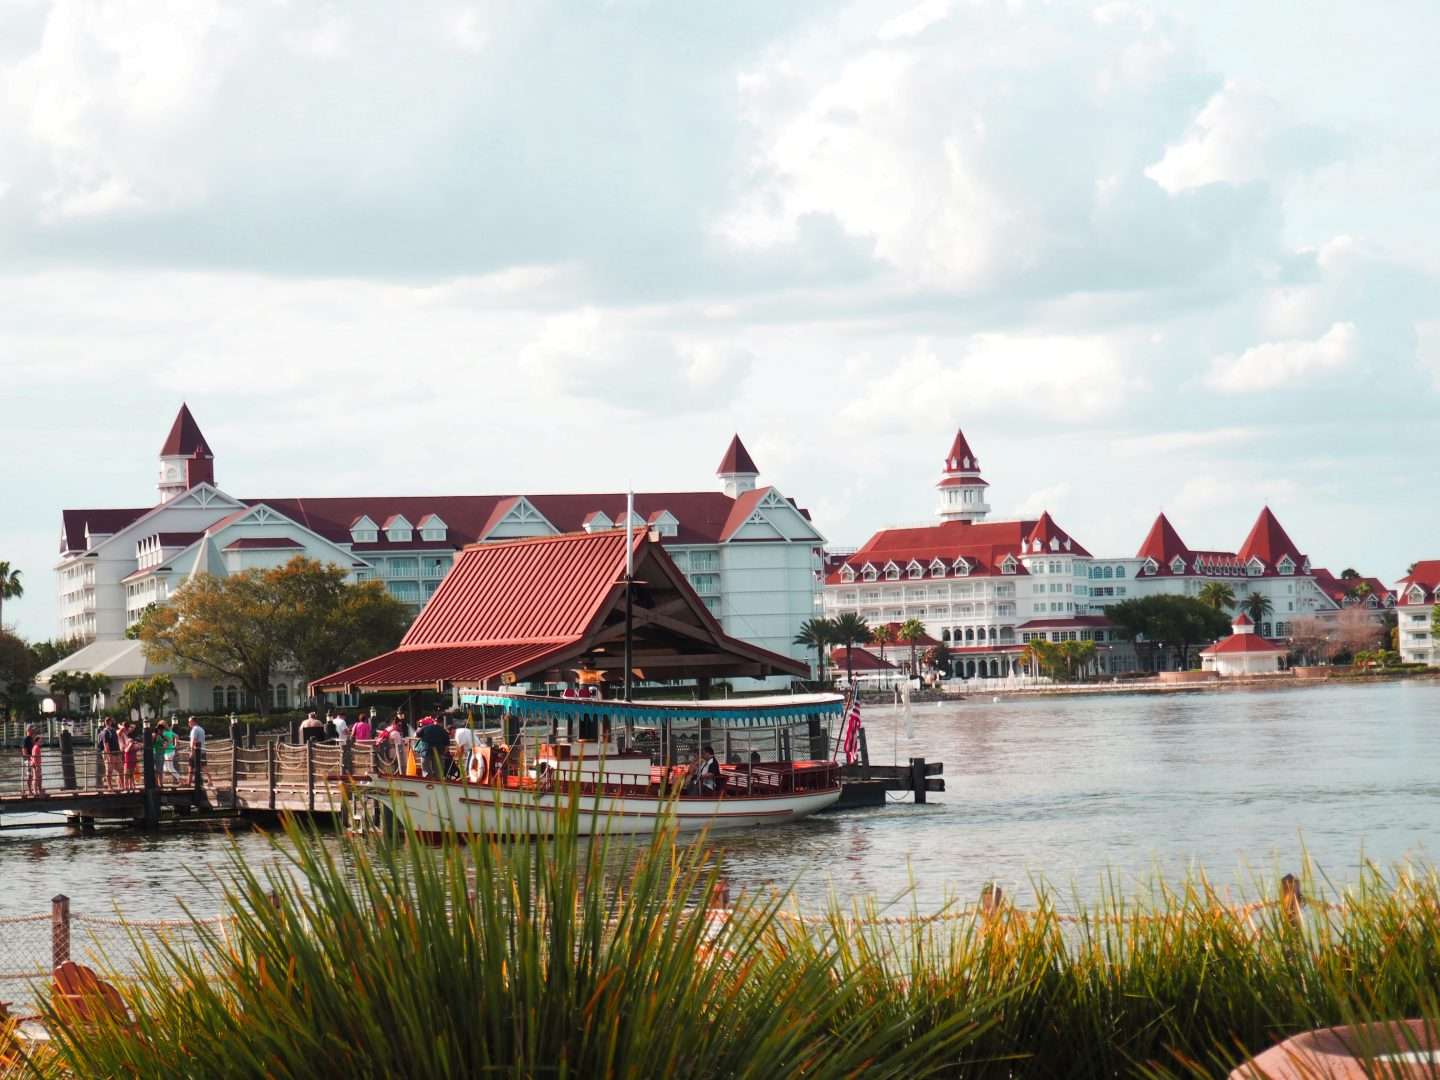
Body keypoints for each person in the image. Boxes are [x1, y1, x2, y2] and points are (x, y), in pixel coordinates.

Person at [98, 717, 121, 791]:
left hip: (116, 752)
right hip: (110, 753)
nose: (110, 722)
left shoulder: (113, 730)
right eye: (109, 721)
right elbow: (106, 744)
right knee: (109, 770)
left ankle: (120, 785)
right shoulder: (105, 732)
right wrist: (109, 755)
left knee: (120, 769)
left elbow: (117, 742)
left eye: (110, 721)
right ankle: (110, 786)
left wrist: (119, 752)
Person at [187, 717, 210, 786]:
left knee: (190, 766)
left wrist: (192, 751)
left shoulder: (194, 729)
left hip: (196, 751)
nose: (188, 723)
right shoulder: (201, 729)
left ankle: (189, 782)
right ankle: (210, 780)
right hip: (202, 750)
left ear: (193, 722)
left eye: (189, 722)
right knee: (204, 766)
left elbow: (193, 741)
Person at [160, 719, 180, 787]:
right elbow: (177, 736)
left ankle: (180, 779)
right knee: (165, 767)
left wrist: (164, 746)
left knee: (170, 768)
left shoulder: (164, 733)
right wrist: (176, 745)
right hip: (171, 751)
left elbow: (168, 741)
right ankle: (161, 781)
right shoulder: (169, 731)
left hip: (168, 752)